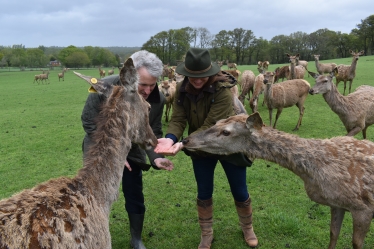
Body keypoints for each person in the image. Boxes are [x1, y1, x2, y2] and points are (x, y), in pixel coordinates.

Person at [154, 47, 258, 248]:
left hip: (228, 147)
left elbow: (211, 125)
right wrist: (170, 138)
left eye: (202, 76)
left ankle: (248, 228)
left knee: (239, 189)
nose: (197, 80)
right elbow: (177, 118)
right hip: (200, 148)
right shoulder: (182, 90)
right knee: (204, 191)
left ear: (210, 73)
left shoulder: (223, 91)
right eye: (193, 76)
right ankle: (206, 233)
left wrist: (183, 143)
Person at [81, 50, 174, 249]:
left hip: (132, 151)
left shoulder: (157, 100)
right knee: (96, 196)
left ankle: (136, 239)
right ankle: (95, 234)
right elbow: (89, 122)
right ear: (130, 78)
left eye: (153, 84)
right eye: (143, 84)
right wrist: (112, 153)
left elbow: (152, 132)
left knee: (134, 192)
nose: (148, 90)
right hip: (102, 148)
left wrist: (156, 157)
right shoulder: (103, 88)